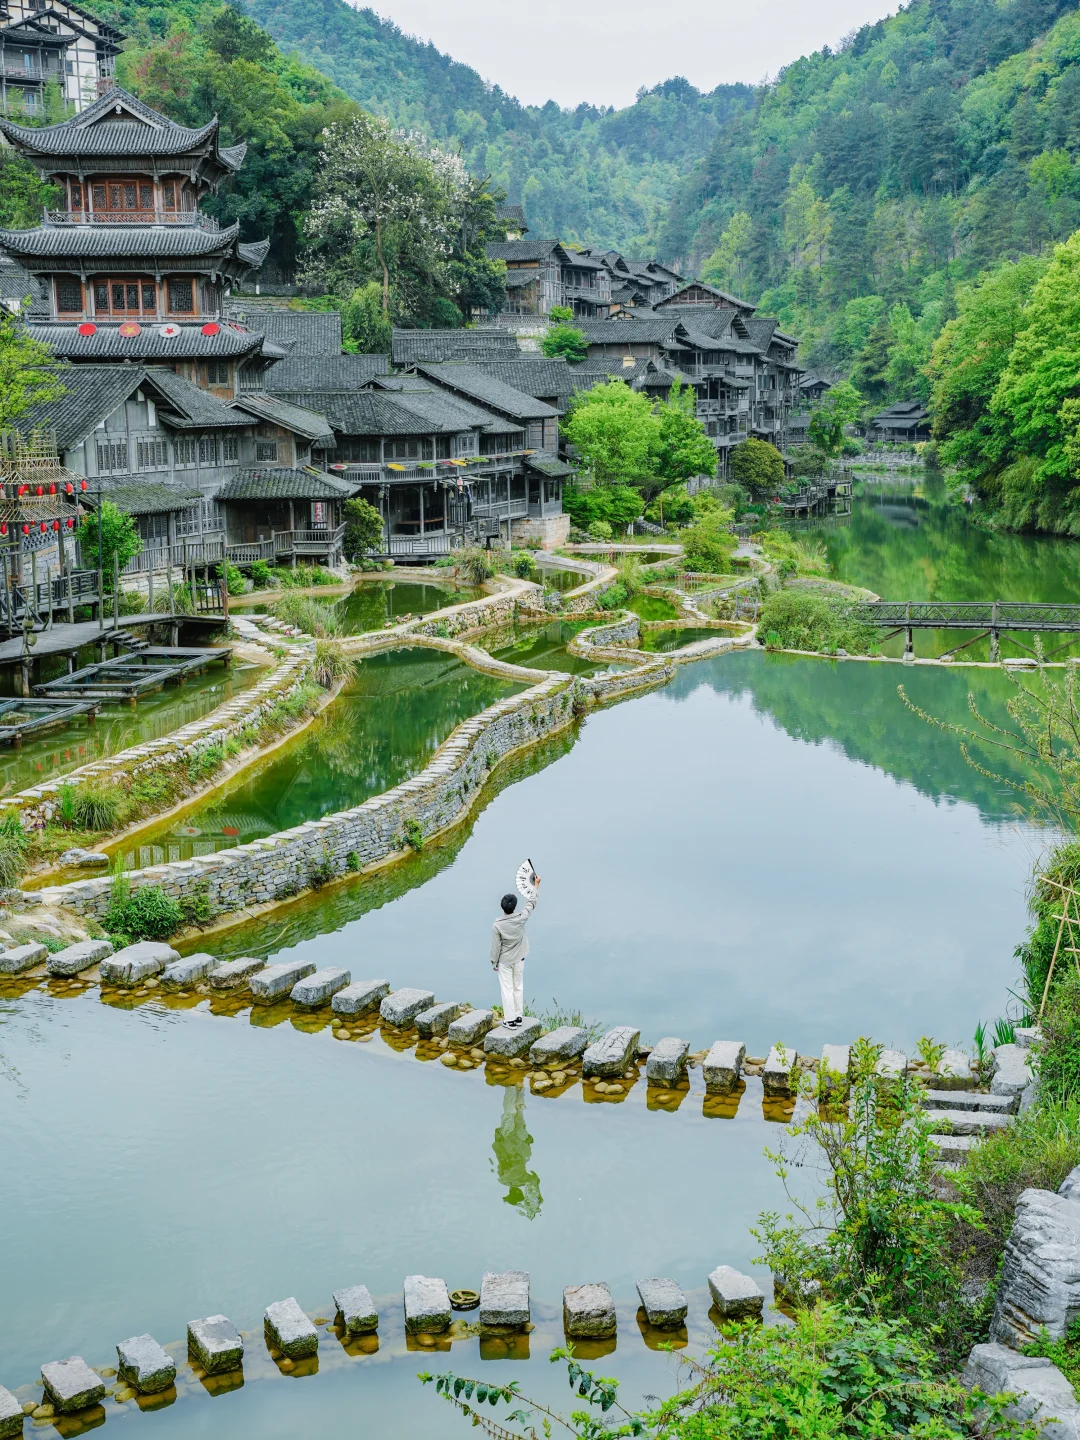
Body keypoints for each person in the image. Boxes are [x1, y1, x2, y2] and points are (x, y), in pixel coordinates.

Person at [490, 874, 540, 1028]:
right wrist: (536, 886)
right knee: (518, 986)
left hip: (505, 961)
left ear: (502, 907)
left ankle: (510, 1020)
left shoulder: (497, 924)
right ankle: (518, 1016)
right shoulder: (520, 918)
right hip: (520, 958)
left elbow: (496, 947)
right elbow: (531, 903)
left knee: (507, 989)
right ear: (514, 906)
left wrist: (494, 962)